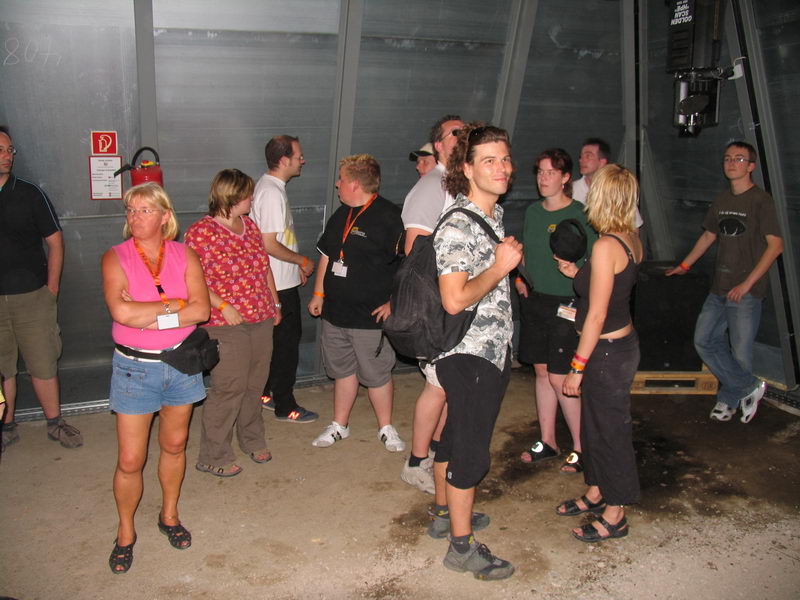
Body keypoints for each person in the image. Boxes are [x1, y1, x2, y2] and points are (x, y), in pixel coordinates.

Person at [102, 182, 211, 573]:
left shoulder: (185, 255)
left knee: (175, 444)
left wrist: (151, 314)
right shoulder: (115, 257)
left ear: (166, 216)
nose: (135, 217)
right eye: (131, 210)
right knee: (131, 459)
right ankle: (125, 532)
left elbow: (201, 311)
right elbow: (122, 314)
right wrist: (174, 305)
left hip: (181, 363)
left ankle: (169, 515)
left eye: (145, 210)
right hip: (135, 367)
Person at [430, 123, 521, 580]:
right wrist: (501, 267)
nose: (502, 168)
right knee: (470, 450)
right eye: (489, 160)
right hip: (470, 352)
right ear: (466, 169)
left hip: (487, 348)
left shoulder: (491, 214)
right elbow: (454, 299)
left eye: (505, 159)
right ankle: (461, 548)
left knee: (453, 436)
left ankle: (442, 513)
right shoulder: (460, 224)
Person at [555, 164, 643, 543]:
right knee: (594, 427)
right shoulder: (629, 237)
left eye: (593, 192)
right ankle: (596, 490)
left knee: (610, 432)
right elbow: (609, 287)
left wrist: (577, 367)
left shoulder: (606, 246)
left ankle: (616, 512)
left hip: (605, 354)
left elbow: (597, 314)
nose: (587, 196)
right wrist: (578, 273)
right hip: (617, 348)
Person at [666, 141, 783, 423]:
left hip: (746, 291)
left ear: (751, 166)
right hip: (719, 286)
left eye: (739, 159)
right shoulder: (721, 200)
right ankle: (748, 387)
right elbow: (709, 235)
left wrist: (747, 284)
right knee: (704, 340)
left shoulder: (761, 201)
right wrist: (684, 265)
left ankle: (728, 400)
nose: (732, 163)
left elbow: (775, 246)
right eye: (728, 158)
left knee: (740, 351)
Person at [185, 169, 281, 477]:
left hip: (260, 316)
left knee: (255, 384)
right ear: (232, 196)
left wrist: (275, 302)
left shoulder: (249, 225)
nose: (252, 198)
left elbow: (263, 267)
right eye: (248, 194)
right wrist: (224, 306)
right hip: (224, 321)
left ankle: (252, 438)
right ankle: (213, 454)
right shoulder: (200, 233)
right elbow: (192, 280)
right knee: (230, 386)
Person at [308, 154, 405, 452]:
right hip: (336, 313)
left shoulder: (389, 217)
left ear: (353, 183)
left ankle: (386, 427)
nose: (337, 184)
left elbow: (407, 265)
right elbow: (327, 256)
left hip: (370, 317)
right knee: (342, 371)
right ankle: (340, 425)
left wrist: (394, 302)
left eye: (341, 179)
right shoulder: (341, 214)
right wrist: (318, 294)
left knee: (376, 375)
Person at [0, 125, 82, 450]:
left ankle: (55, 423)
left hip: (33, 297)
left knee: (43, 363)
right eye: (1, 150)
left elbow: (56, 242)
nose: (7, 156)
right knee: (2, 368)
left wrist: (51, 290)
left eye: (9, 150)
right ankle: (6, 426)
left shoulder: (29, 193)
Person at [516, 148, 596, 474]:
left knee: (561, 376)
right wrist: (520, 277)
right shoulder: (533, 212)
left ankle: (581, 448)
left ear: (565, 178)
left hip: (568, 302)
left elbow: (598, 263)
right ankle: (548, 441)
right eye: (540, 172)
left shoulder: (582, 215)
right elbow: (528, 251)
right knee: (541, 372)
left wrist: (578, 275)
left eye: (551, 172)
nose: (543, 178)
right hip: (536, 300)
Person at [399, 114, 465, 494]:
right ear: (438, 145)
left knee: (449, 385)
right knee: (438, 385)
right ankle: (416, 461)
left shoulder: (457, 184)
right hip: (437, 302)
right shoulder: (432, 185)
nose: (463, 136)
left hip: (455, 301)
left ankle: (437, 452)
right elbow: (415, 252)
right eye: (455, 133)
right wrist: (435, 304)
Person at [251, 135, 318, 423]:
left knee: (277, 346)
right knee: (287, 348)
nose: (303, 160)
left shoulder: (273, 188)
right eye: (298, 156)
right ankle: (285, 405)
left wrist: (294, 267)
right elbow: (268, 243)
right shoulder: (271, 193)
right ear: (283, 160)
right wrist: (301, 261)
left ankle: (265, 393)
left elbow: (280, 239)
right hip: (278, 287)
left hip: (282, 280)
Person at [573, 138, 643, 228]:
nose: (581, 160)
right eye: (581, 156)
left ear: (602, 162)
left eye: (588, 156)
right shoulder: (571, 190)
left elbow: (634, 227)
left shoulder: (618, 190)